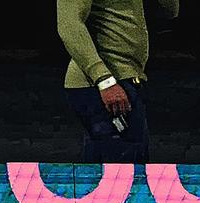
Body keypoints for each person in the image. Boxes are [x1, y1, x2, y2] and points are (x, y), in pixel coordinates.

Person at [57, 0, 180, 163]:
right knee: (121, 170)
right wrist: (104, 80)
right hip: (100, 84)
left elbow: (169, 11)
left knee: (125, 166)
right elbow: (69, 26)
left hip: (126, 80)